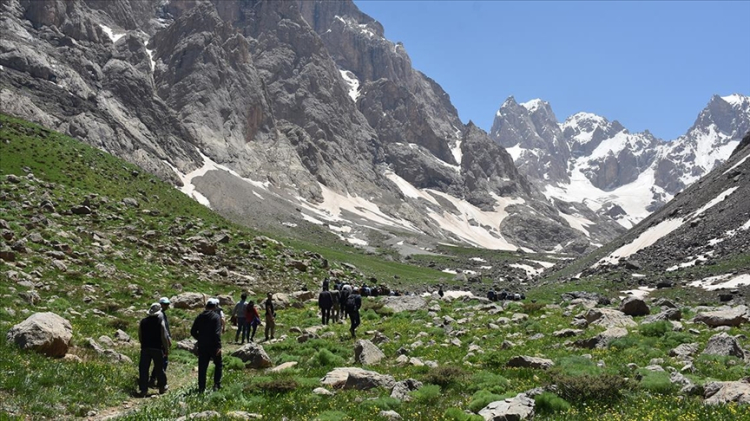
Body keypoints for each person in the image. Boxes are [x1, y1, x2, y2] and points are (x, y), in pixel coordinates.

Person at [191, 298, 223, 392]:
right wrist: (219, 346)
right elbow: (217, 333)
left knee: (202, 367)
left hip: (202, 345)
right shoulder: (216, 317)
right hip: (213, 345)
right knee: (218, 364)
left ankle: (201, 387)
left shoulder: (200, 316)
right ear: (215, 307)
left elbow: (193, 331)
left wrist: (200, 338)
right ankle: (216, 385)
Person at [138, 303, 170, 396]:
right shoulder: (160, 321)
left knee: (143, 369)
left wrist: (143, 343)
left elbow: (140, 335)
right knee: (159, 368)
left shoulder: (143, 321)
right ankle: (162, 387)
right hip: (157, 348)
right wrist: (166, 348)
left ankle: (143, 389)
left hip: (145, 348)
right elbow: (164, 336)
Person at [148, 297, 172, 388]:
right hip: (161, 342)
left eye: (167, 304)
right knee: (163, 361)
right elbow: (163, 330)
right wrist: (167, 340)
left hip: (159, 341)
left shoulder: (162, 314)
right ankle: (159, 381)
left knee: (159, 362)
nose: (167, 306)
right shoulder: (160, 315)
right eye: (165, 304)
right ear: (160, 304)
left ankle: (154, 379)